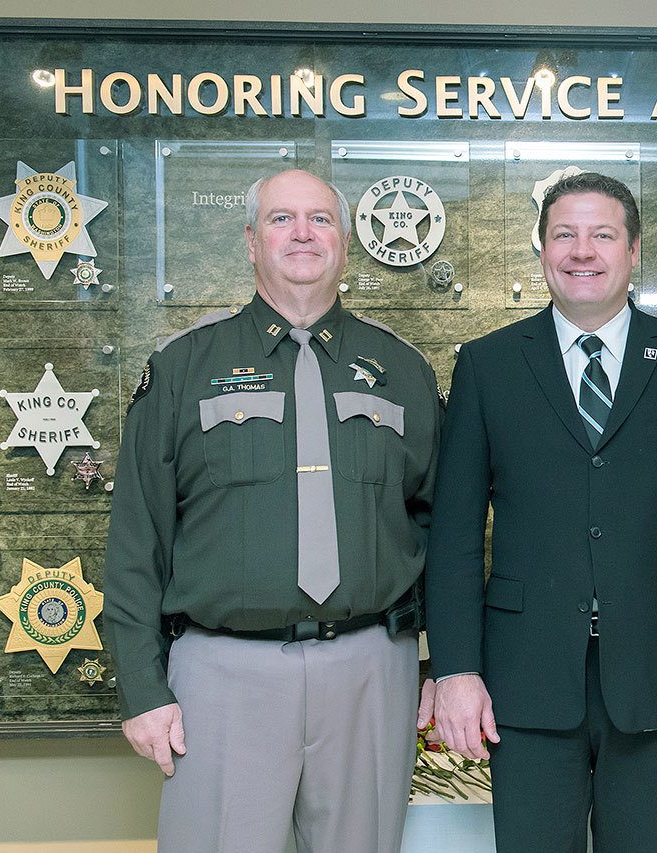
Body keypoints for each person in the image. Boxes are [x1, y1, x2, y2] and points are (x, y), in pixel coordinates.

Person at [424, 172, 657, 853]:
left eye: (602, 235)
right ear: (543, 250)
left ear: (633, 250)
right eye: (565, 235)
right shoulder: (488, 366)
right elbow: (454, 534)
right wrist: (455, 669)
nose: (582, 251)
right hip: (524, 674)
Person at [104, 169, 441, 853]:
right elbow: (137, 538)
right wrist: (141, 686)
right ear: (251, 241)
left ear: (345, 242)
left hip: (370, 670)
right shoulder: (183, 365)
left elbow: (440, 527)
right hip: (223, 673)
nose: (302, 234)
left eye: (321, 219)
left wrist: (442, 665)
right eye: (282, 218)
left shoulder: (404, 369)